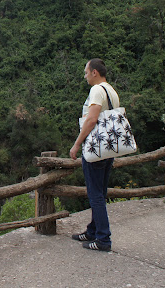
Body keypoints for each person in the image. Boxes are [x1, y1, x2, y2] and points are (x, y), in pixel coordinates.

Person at [69, 58, 119, 252]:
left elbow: (91, 120)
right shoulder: (112, 91)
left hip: (96, 149)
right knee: (100, 192)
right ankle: (93, 230)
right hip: (108, 148)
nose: (85, 76)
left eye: (86, 72)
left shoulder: (97, 90)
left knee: (95, 194)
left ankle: (103, 239)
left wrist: (76, 145)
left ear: (95, 72)